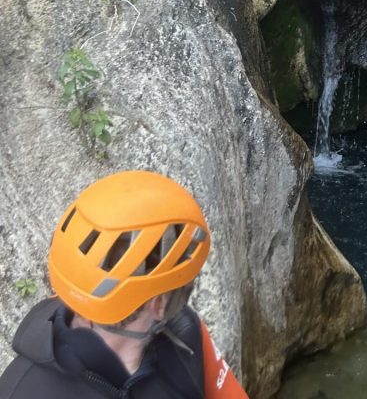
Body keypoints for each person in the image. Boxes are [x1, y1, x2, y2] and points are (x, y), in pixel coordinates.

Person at [0, 170, 248, 398]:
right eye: (183, 288)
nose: (183, 304)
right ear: (159, 304)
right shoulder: (184, 339)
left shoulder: (183, 334)